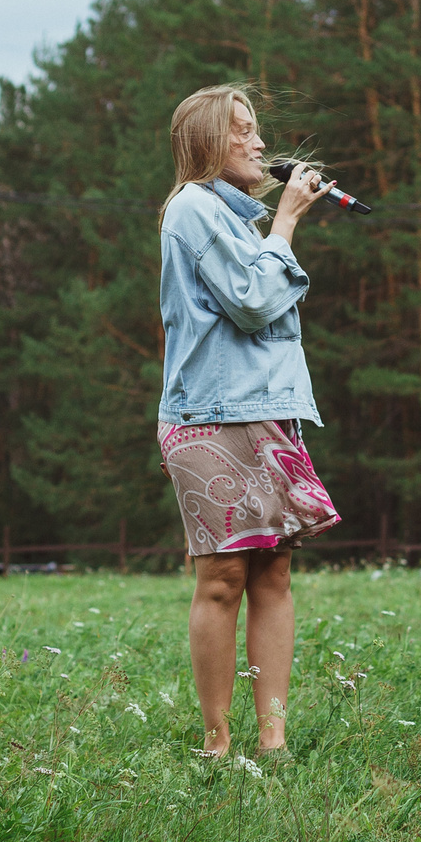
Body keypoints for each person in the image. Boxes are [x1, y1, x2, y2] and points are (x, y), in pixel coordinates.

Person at [157, 84, 342, 762]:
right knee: (222, 577)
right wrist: (286, 223)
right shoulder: (193, 210)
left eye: (257, 129)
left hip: (266, 412)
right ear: (206, 141)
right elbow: (253, 302)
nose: (259, 143)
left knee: (274, 574)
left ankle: (274, 740)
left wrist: (274, 224)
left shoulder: (233, 218)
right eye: (242, 131)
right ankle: (217, 741)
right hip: (208, 416)